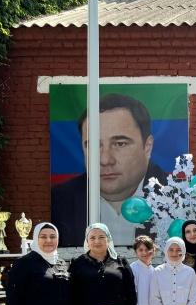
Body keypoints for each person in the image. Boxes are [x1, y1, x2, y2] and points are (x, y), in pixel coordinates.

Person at [52, 93, 167, 247]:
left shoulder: (179, 199)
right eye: (93, 145)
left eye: (120, 144)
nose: (105, 160)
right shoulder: (58, 201)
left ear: (147, 146)